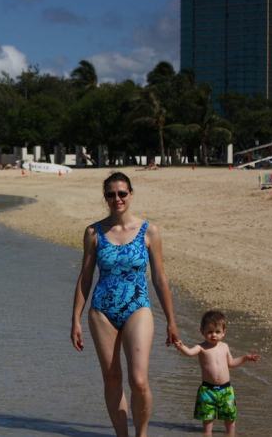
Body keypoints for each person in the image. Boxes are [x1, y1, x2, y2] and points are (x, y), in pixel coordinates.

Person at [70, 172, 179, 437]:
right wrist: (75, 319)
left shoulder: (149, 231)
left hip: (137, 307)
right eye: (111, 194)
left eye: (122, 193)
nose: (117, 198)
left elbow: (160, 278)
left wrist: (171, 320)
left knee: (138, 380)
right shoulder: (94, 232)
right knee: (112, 378)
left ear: (131, 194)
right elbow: (85, 277)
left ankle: (141, 434)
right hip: (102, 311)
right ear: (105, 197)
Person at [174, 311, 260, 436]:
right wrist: (181, 347)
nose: (213, 335)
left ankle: (230, 434)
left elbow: (231, 363)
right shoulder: (201, 347)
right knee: (207, 420)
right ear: (202, 331)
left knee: (230, 419)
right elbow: (189, 353)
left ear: (224, 332)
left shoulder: (225, 346)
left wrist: (245, 358)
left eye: (217, 331)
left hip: (226, 389)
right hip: (207, 390)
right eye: (209, 331)